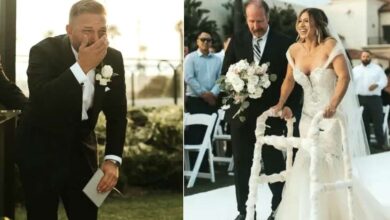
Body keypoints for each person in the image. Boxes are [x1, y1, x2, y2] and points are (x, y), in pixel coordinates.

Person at [272, 8, 389, 219]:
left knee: (327, 162)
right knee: (305, 161)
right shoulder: (294, 50)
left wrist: (333, 104)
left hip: (330, 118)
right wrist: (280, 103)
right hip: (307, 118)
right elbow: (289, 80)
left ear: (318, 23)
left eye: (307, 20)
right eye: (299, 21)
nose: (301, 24)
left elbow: (344, 77)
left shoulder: (330, 46)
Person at [16, 0, 127, 219]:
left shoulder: (113, 57)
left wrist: (112, 159)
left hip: (82, 150)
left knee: (87, 214)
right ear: (69, 30)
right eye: (87, 31)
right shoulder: (42, 51)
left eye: (102, 31)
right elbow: (43, 101)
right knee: (41, 214)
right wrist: (81, 67)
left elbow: (117, 114)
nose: (96, 38)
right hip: (40, 147)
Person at [221, 1, 302, 219]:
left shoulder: (285, 43)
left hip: (271, 116)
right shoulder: (238, 39)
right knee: (242, 165)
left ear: (268, 18)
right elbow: (224, 76)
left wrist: (290, 107)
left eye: (259, 21)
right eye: (251, 21)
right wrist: (234, 91)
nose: (255, 26)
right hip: (242, 117)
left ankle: (278, 208)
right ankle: (245, 211)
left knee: (274, 163)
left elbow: (294, 82)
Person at [353, 50, 388, 150]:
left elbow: (384, 81)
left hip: (374, 99)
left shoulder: (377, 69)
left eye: (367, 56)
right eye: (363, 56)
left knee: (378, 121)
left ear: (370, 57)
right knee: (363, 122)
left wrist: (377, 85)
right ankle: (366, 145)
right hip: (360, 98)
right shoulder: (355, 70)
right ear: (361, 57)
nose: (365, 58)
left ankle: (381, 144)